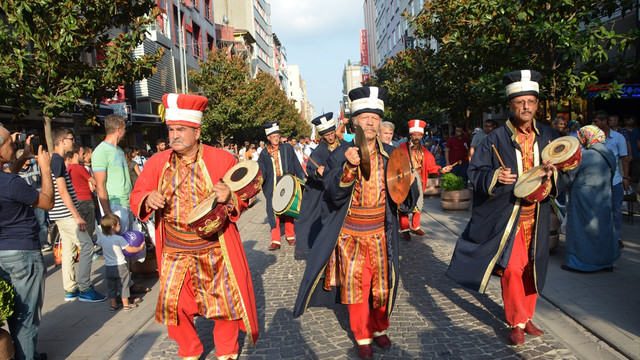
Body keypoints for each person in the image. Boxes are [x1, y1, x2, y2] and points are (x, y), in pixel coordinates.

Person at [130, 93, 258, 360]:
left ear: (197, 131)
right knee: (176, 307)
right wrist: (147, 198)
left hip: (214, 247)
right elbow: (137, 194)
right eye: (171, 129)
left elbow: (245, 195)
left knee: (224, 305)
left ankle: (226, 352)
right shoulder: (156, 163)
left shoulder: (221, 159)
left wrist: (229, 197)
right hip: (175, 250)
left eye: (181, 129)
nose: (174, 135)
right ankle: (189, 352)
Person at [447, 70, 565, 346]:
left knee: (533, 268)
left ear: (537, 104)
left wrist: (554, 174)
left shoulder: (547, 135)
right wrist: (495, 177)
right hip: (508, 217)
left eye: (531, 102)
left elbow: (566, 169)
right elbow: (475, 174)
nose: (526, 107)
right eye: (520, 102)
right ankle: (516, 321)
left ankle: (528, 315)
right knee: (512, 269)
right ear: (511, 105)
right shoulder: (494, 139)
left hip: (538, 215)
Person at [294, 86, 401, 359]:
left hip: (381, 232)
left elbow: (404, 196)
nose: (370, 122)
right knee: (357, 286)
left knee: (382, 286)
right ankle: (363, 336)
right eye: (365, 117)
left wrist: (406, 185)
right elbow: (332, 192)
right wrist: (349, 168)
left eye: (375, 118)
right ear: (353, 120)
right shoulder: (339, 154)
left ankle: (380, 328)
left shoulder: (392, 154)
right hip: (351, 233)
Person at [0, 128, 53, 360]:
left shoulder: (8, 180)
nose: (15, 145)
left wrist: (22, 157)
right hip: (22, 253)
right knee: (25, 317)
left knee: (12, 310)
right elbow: (47, 202)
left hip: (3, 251)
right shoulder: (12, 182)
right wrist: (45, 167)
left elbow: (7, 179)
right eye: (11, 142)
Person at [562, 125, 620, 272]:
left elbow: (570, 177)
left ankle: (579, 263)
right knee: (603, 229)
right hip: (604, 196)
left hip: (583, 199)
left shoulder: (585, 156)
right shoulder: (609, 153)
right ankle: (605, 262)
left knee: (582, 229)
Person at [295, 113, 341, 259]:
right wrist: (317, 172)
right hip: (328, 193)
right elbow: (310, 169)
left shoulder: (345, 147)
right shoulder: (319, 151)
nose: (331, 137)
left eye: (332, 133)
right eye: (327, 135)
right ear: (322, 136)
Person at [398, 120, 452, 240]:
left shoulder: (425, 152)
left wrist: (441, 170)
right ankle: (405, 229)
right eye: (414, 135)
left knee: (418, 204)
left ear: (422, 136)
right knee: (403, 205)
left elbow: (431, 167)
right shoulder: (402, 147)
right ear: (410, 135)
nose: (416, 137)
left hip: (419, 182)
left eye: (419, 135)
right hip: (404, 180)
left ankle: (415, 227)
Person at [257, 121, 306, 250]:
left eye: (278, 136)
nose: (276, 138)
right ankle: (275, 240)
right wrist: (257, 183)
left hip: (287, 181)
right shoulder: (263, 154)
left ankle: (290, 236)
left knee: (288, 209)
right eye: (273, 137)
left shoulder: (287, 148)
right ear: (268, 138)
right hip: (272, 185)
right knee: (273, 212)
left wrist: (302, 175)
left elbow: (296, 163)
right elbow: (261, 171)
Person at [92, 114, 135, 234]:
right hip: (114, 204)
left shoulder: (120, 150)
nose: (125, 131)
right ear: (119, 129)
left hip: (127, 203)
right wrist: (108, 214)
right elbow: (100, 185)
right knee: (119, 245)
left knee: (128, 244)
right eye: (124, 128)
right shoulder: (100, 152)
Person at [592, 110, 628, 249]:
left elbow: (625, 158)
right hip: (597, 182)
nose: (594, 124)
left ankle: (617, 237)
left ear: (604, 121)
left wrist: (626, 177)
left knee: (616, 210)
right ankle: (601, 237)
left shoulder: (618, 138)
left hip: (615, 181)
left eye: (596, 121)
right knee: (598, 211)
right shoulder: (592, 138)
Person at [98, 213, 145, 312]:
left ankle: (113, 305)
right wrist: (141, 247)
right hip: (120, 266)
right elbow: (131, 249)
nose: (120, 226)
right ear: (113, 227)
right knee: (124, 285)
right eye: (119, 224)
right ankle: (126, 304)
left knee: (111, 287)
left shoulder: (102, 237)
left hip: (109, 267)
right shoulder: (119, 239)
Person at [16, 149, 51, 251]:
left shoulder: (35, 166)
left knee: (42, 222)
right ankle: (35, 244)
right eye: (26, 156)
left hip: (39, 200)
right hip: (27, 203)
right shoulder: (17, 172)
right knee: (31, 224)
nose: (29, 158)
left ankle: (44, 243)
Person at [66, 144, 98, 246]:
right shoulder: (80, 168)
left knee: (80, 227)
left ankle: (81, 247)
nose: (84, 156)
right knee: (89, 226)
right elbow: (94, 181)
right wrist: (94, 187)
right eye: (82, 153)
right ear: (75, 155)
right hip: (86, 199)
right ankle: (88, 247)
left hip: (75, 200)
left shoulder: (68, 169)